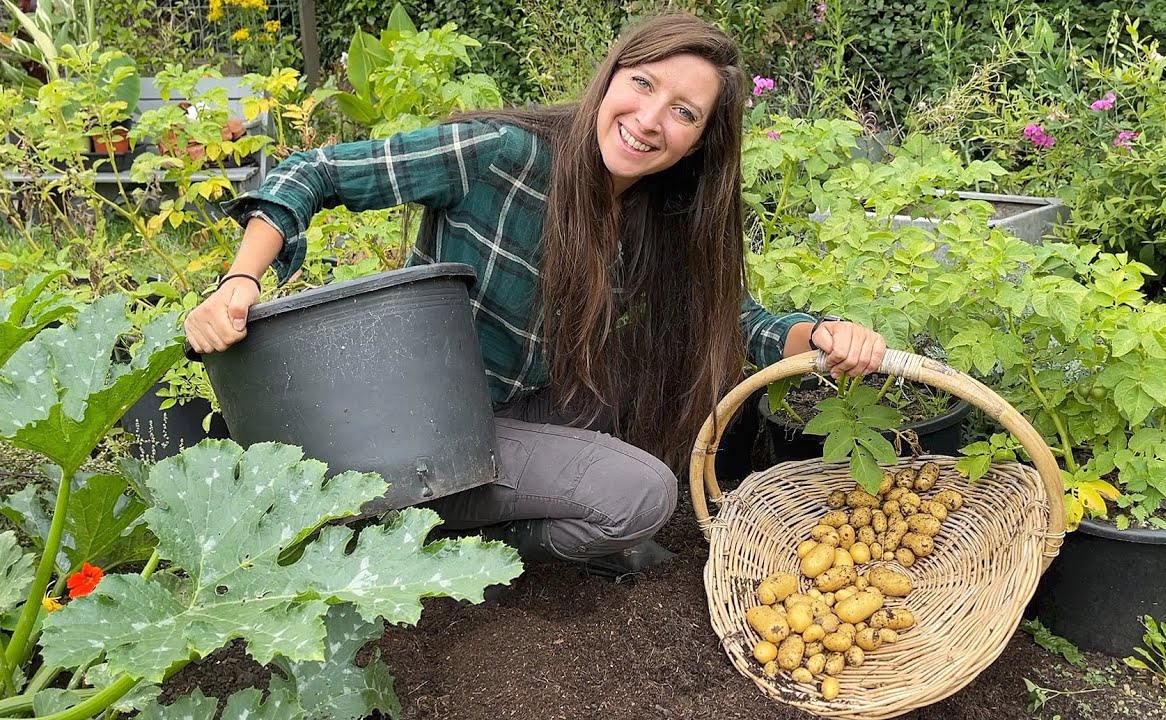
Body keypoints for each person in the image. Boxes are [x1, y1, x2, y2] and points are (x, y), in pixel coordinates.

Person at [184, 14, 887, 578]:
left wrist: (824, 336)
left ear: (701, 142)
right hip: (429, 431)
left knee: (659, 367)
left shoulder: (654, 217)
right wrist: (239, 282)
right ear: (609, 77)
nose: (649, 119)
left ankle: (473, 513)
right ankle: (419, 533)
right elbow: (314, 172)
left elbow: (737, 323)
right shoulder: (498, 154)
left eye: (683, 112)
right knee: (641, 499)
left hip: (522, 401)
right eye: (641, 84)